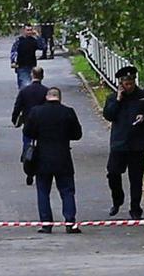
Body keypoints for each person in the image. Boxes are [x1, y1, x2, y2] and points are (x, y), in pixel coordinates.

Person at [103, 65, 144, 219]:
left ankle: (135, 208)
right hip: (119, 143)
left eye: (131, 83)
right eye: (126, 84)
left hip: (137, 143)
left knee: (136, 178)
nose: (129, 86)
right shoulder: (113, 98)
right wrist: (118, 100)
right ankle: (117, 199)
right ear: (121, 84)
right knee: (113, 173)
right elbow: (108, 115)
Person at [23, 87, 83, 234]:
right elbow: (77, 134)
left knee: (43, 192)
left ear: (47, 97)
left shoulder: (36, 112)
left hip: (42, 157)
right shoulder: (68, 112)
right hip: (63, 157)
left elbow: (28, 132)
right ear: (59, 98)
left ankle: (46, 224)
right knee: (67, 191)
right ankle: (70, 222)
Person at [12, 67, 49, 180]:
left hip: (28, 121)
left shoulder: (24, 91)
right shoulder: (46, 91)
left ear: (32, 75)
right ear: (42, 76)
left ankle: (27, 162)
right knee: (42, 143)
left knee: (27, 142)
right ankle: (42, 163)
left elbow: (17, 106)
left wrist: (15, 118)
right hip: (43, 122)